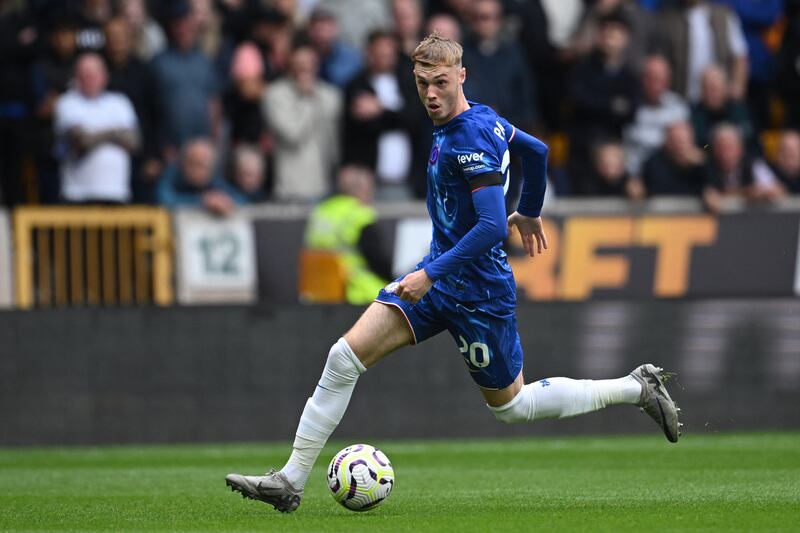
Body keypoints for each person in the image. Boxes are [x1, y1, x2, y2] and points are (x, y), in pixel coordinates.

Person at [225, 32, 681, 513]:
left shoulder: (470, 139)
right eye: (422, 83)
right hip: (439, 278)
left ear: (461, 75)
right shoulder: (478, 118)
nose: (431, 94)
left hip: (479, 291)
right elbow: (537, 151)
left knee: (512, 407)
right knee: (343, 358)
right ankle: (290, 480)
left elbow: (491, 227)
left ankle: (636, 388)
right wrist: (529, 208)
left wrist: (431, 273)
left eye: (441, 82)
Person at [54, 53, 139, 204]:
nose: (89, 79)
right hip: (77, 194)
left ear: (105, 76)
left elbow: (134, 141)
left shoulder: (120, 102)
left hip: (116, 193)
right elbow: (80, 141)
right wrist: (115, 134)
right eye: (84, 74)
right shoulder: (67, 102)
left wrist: (94, 135)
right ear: (76, 77)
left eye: (94, 74)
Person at [304, 164, 391, 304]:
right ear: (363, 189)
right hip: (356, 292)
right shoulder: (359, 214)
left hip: (319, 292)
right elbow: (377, 260)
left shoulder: (322, 211)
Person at [157, 138, 245, 215]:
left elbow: (242, 200)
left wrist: (226, 201)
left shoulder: (214, 181)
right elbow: (163, 200)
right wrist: (201, 201)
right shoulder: (172, 174)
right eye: (191, 162)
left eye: (201, 165)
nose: (195, 170)